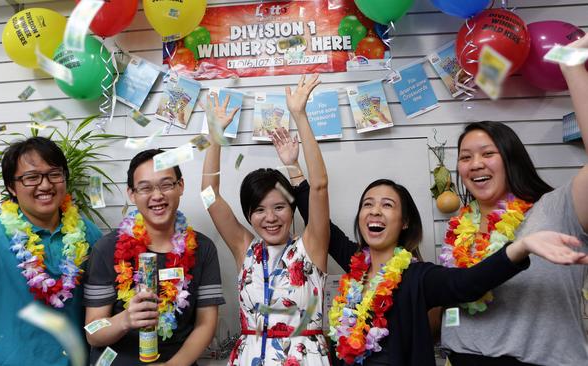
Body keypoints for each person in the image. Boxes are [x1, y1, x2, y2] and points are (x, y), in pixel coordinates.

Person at [270, 129, 587, 366]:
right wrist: (294, 169)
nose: (375, 211)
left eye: (387, 205)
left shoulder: (417, 276)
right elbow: (322, 225)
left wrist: (519, 248)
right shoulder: (355, 266)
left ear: (405, 221)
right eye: (368, 204)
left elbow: (465, 284)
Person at [440, 34, 588, 366]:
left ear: (511, 160)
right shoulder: (457, 229)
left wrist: (572, 68)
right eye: (465, 157)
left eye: (487, 153)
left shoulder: (555, 208)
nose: (475, 163)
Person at [0, 99, 102, 365]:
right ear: (12, 187)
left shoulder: (87, 233)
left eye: (54, 174)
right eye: (31, 177)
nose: (45, 185)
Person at [201, 74, 331, 365]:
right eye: (259, 210)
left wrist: (299, 115)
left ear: (292, 208)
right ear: (249, 215)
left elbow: (319, 185)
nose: (270, 218)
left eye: (279, 208)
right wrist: (215, 138)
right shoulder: (245, 248)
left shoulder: (312, 245)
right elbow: (208, 195)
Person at [83, 149, 225, 366]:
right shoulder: (107, 249)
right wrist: (126, 319)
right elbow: (92, 332)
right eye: (145, 188)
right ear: (131, 193)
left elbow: (206, 324)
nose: (157, 195)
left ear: (181, 186)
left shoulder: (202, 248)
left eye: (166, 184)